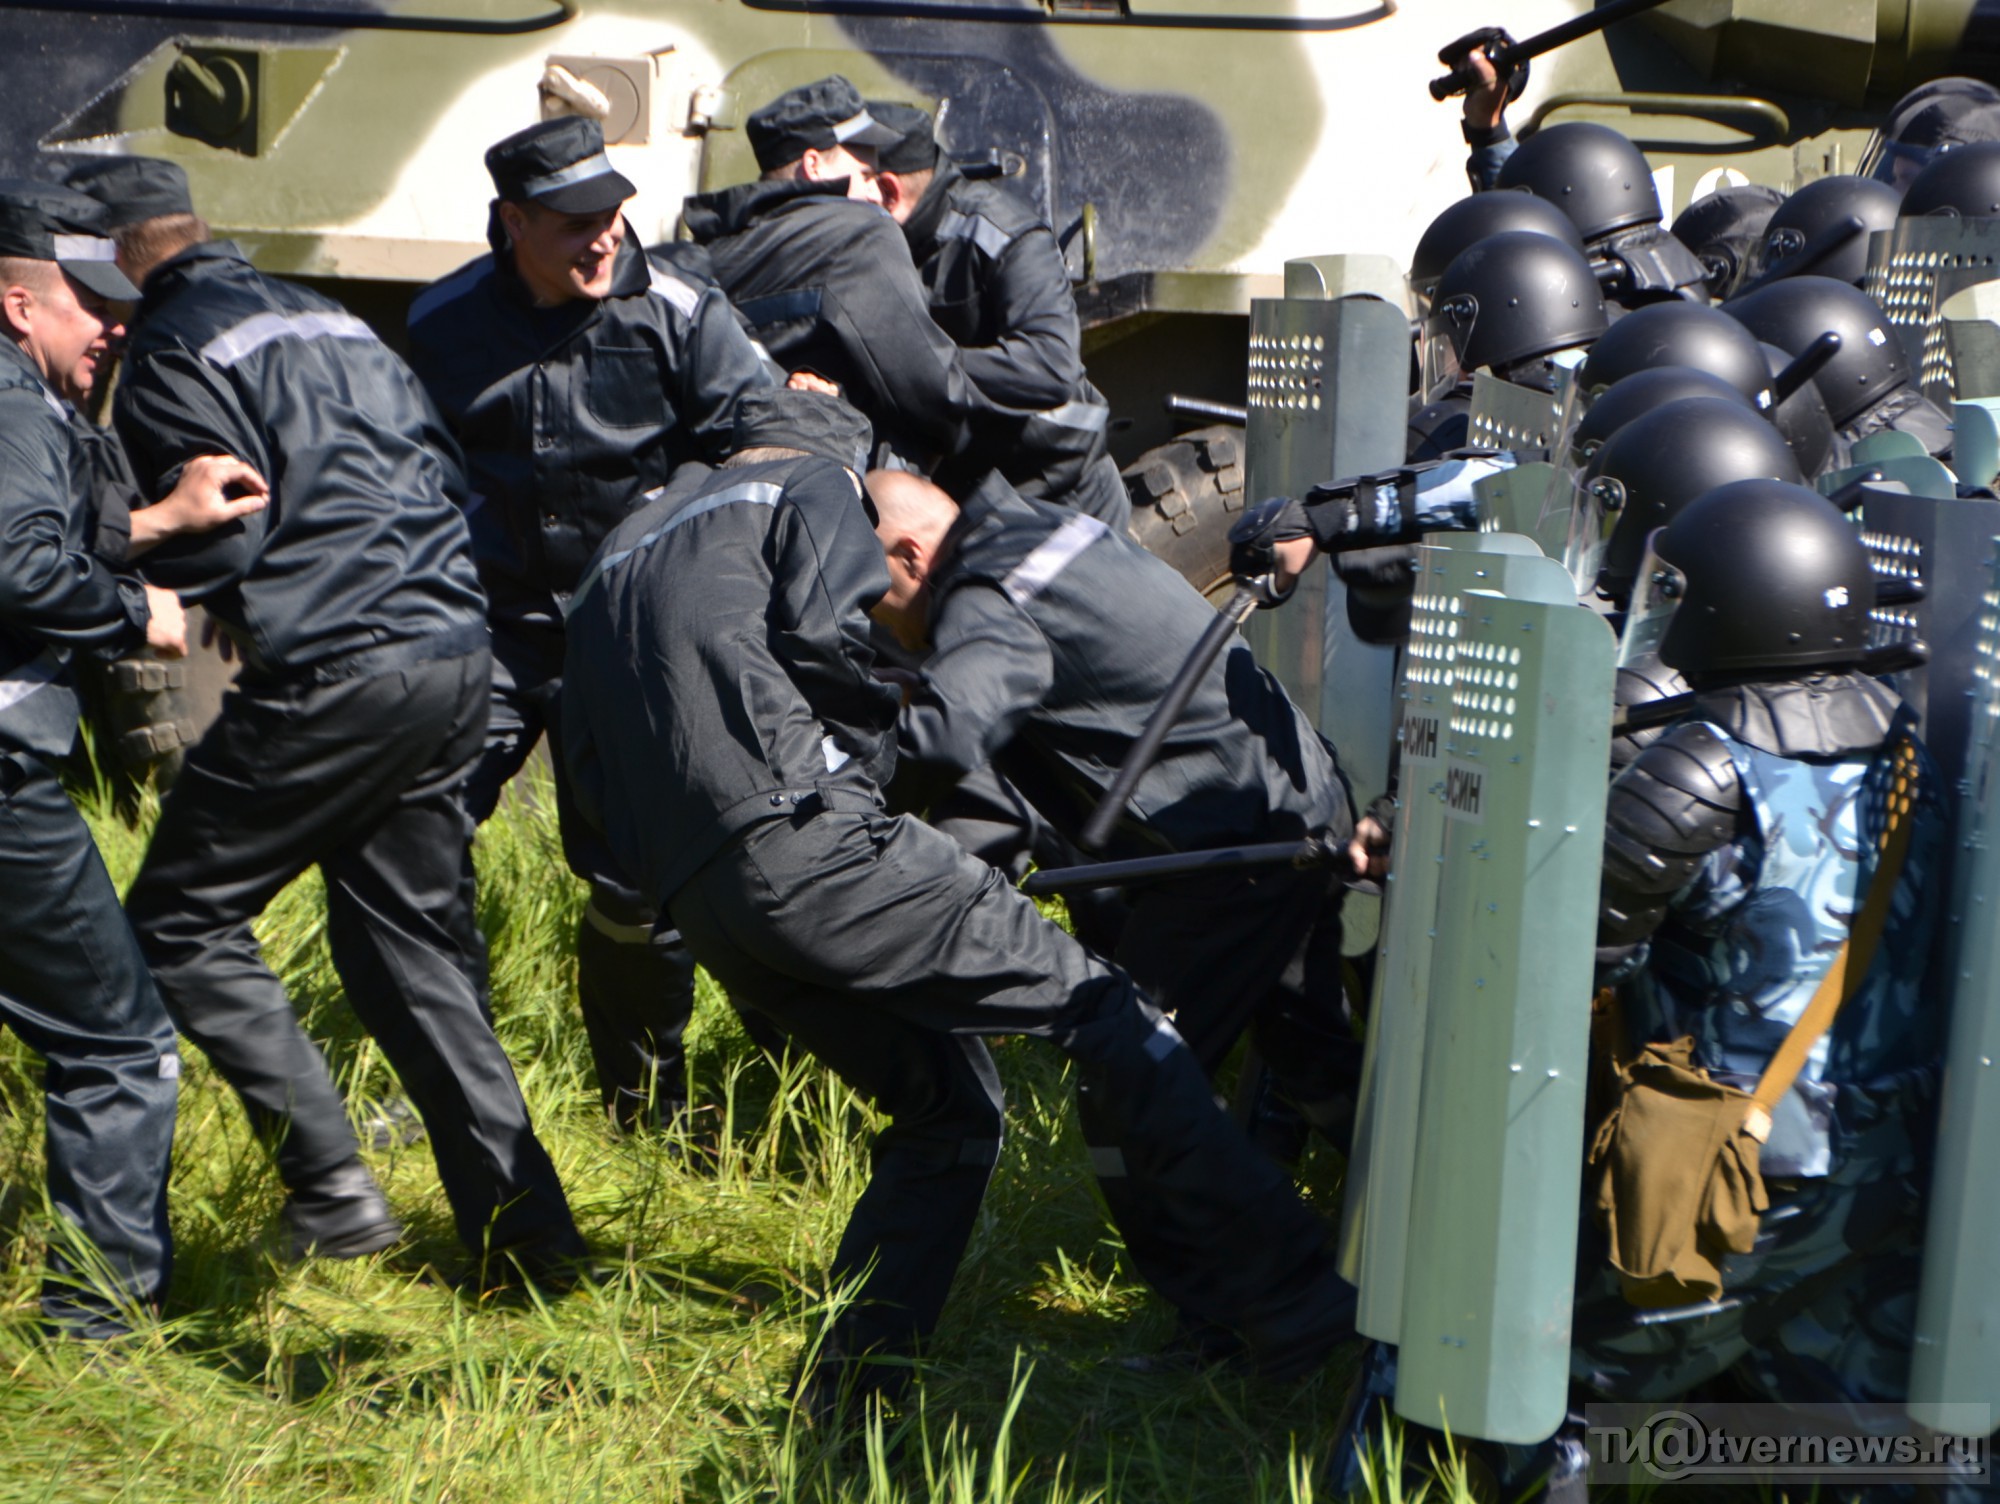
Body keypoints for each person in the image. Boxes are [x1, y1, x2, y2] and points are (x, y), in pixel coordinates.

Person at [561, 387, 1355, 1413]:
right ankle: (1264, 1312)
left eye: (877, 610)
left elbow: (943, 729)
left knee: (1122, 1061)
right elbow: (996, 791)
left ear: (903, 557)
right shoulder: (1034, 533)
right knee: (1218, 1070)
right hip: (1236, 833)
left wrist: (843, 774)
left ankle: (1283, 1309)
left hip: (1245, 847)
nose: (881, 634)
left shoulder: (983, 580)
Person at [94, 184, 585, 1278]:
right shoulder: (323, 313)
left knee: (178, 920)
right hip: (454, 650)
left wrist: (110, 552)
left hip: (334, 669)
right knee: (408, 956)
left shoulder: (172, 345)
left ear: (119, 271)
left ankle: (330, 1184)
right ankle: (532, 1246)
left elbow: (216, 532)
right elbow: (443, 470)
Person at [405, 115, 774, 1130]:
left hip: (634, 638)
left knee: (636, 887)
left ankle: (641, 1107)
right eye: (571, 222)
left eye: (611, 213)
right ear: (512, 221)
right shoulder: (440, 325)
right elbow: (402, 477)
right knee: (414, 838)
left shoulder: (682, 314)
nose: (602, 237)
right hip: (494, 632)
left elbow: (767, 438)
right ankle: (449, 1091)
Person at [0, 180, 196, 1337]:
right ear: (19, 307)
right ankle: (97, 1334)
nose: (111, 325)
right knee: (118, 1044)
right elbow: (19, 567)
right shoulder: (16, 406)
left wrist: (147, 525)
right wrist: (134, 613)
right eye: (87, 304)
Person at [681, 77, 984, 473]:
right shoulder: (858, 233)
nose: (877, 193)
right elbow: (933, 392)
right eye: (866, 175)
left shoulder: (710, 250)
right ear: (813, 165)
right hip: (844, 489)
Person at [869, 102, 1128, 529]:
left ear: (889, 191)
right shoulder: (873, 245)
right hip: (965, 492)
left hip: (1058, 491)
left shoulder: (1005, 234)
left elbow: (1050, 365)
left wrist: (927, 364)